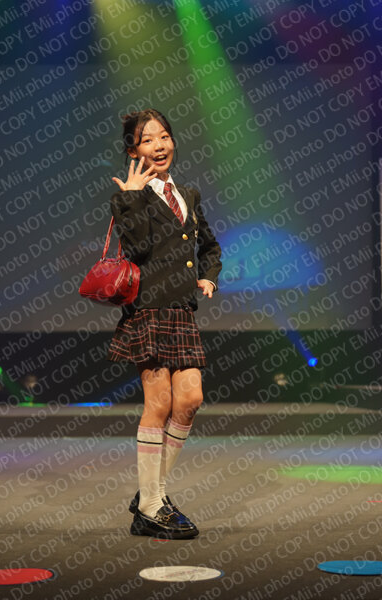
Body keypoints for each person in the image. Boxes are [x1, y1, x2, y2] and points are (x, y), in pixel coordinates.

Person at [107, 108, 222, 539]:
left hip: (182, 310)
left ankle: (149, 496)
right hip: (149, 310)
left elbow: (208, 245)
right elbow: (136, 248)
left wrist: (208, 276)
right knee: (158, 404)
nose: (159, 145)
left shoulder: (188, 193)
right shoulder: (128, 196)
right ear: (133, 151)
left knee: (190, 399)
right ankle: (153, 505)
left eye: (164, 136)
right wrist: (133, 198)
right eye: (147, 140)